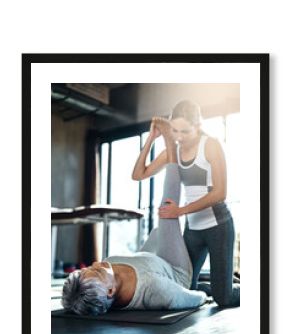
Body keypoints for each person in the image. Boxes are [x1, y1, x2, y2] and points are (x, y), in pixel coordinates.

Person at [61, 142, 208, 316]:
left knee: (157, 233)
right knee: (167, 210)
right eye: (98, 271)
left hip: (152, 262)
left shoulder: (107, 269)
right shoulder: (155, 290)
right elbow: (196, 298)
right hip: (175, 272)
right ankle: (172, 153)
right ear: (110, 292)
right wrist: (203, 294)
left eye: (89, 268)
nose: (97, 263)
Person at [132, 103, 240, 308]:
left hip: (218, 227)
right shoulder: (174, 152)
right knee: (182, 288)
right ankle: (221, 283)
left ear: (198, 125)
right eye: (174, 130)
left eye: (185, 131)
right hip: (193, 230)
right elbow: (138, 175)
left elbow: (220, 193)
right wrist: (151, 139)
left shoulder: (210, 145)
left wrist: (179, 211)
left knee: (223, 299)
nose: (179, 136)